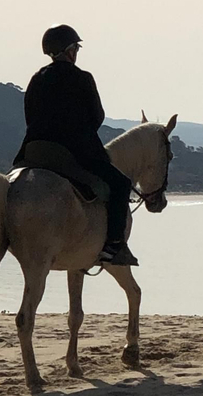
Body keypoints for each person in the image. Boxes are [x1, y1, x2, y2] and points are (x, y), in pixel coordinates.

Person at [14, 24, 136, 266]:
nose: (77, 52)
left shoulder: (36, 79)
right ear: (69, 50)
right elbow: (96, 117)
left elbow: (29, 116)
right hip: (73, 152)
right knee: (121, 185)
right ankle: (113, 247)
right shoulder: (82, 78)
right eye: (76, 48)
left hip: (35, 151)